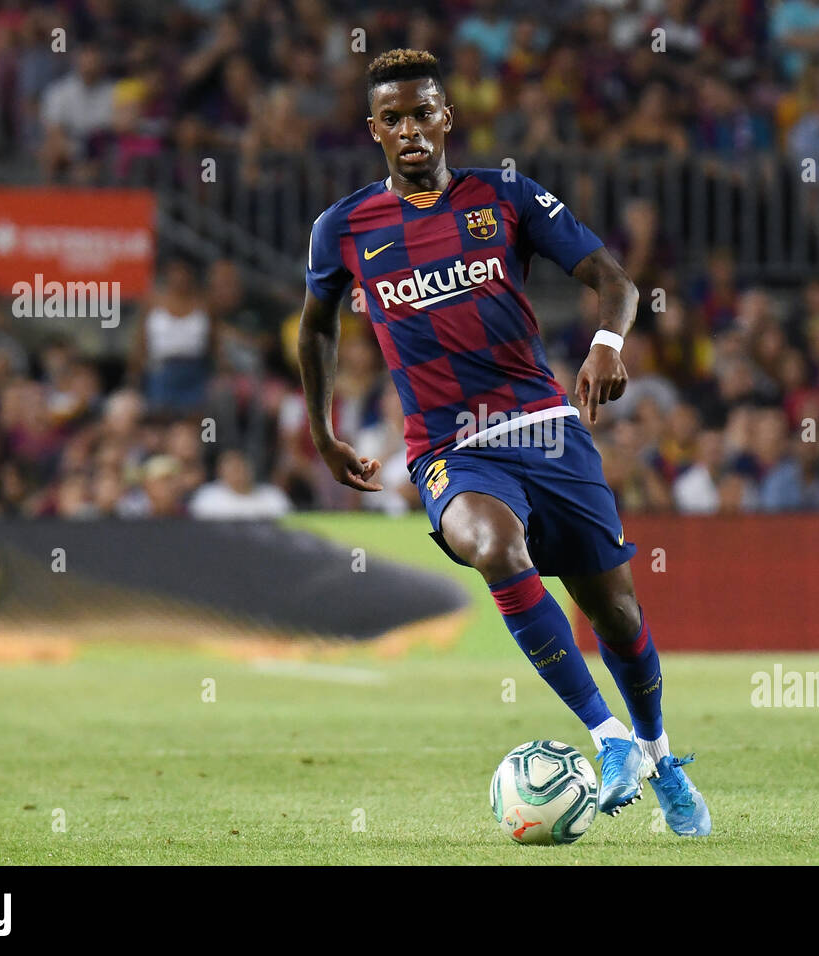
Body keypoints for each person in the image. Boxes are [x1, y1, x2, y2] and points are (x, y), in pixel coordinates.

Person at [297, 49, 708, 836]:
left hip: (545, 430)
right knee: (492, 544)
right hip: (451, 446)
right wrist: (323, 434)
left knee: (616, 614)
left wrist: (607, 345)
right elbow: (317, 330)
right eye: (393, 119)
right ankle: (607, 735)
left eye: (423, 113)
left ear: (446, 116)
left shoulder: (505, 195)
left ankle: (658, 755)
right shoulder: (343, 228)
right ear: (374, 131)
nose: (410, 130)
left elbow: (613, 279)